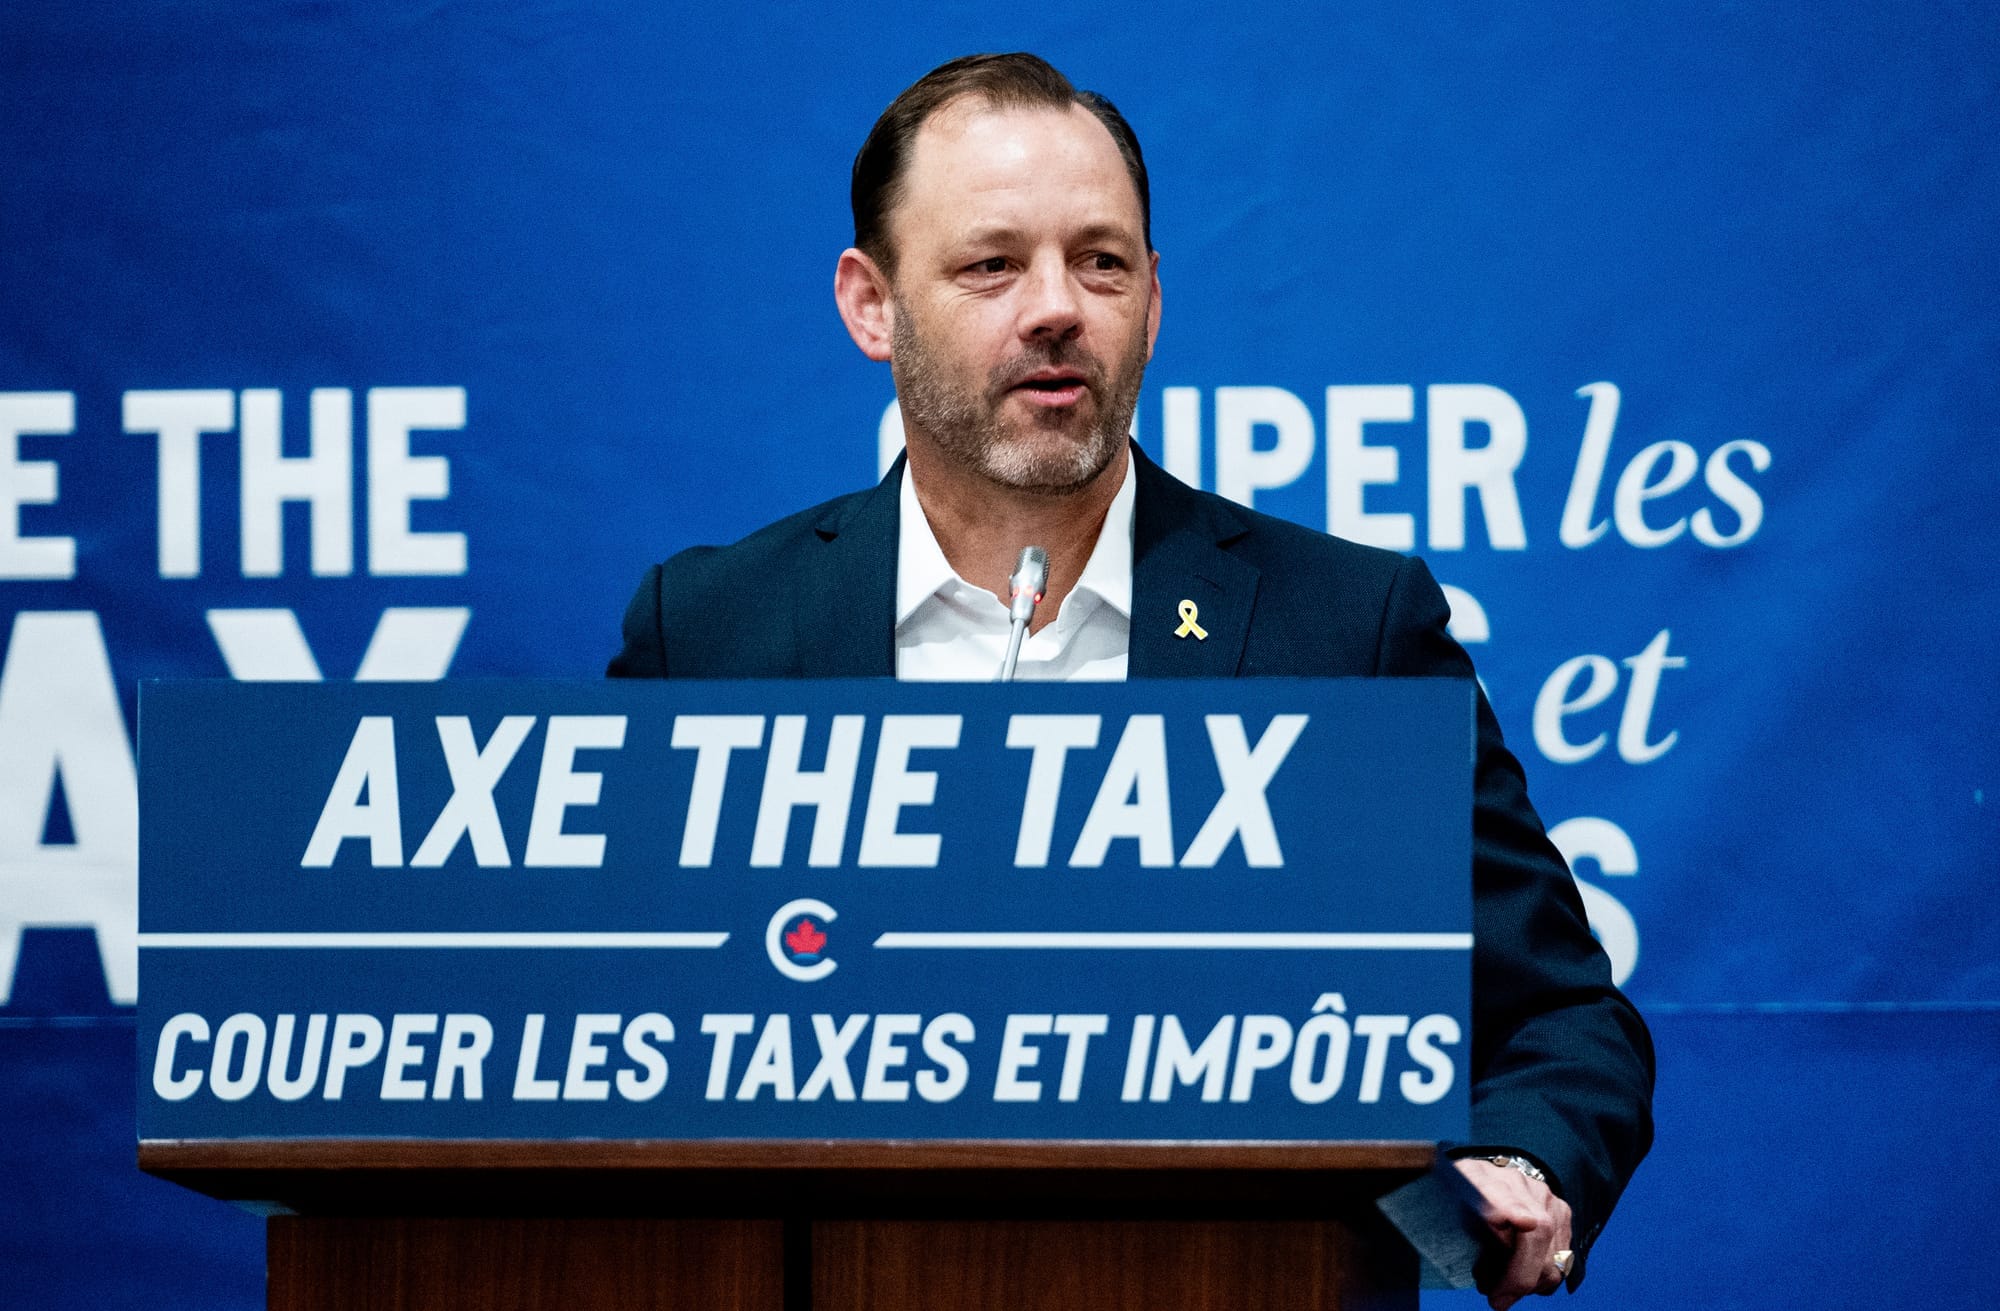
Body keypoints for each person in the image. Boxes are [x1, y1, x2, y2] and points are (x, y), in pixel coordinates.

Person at [610, 52, 1653, 1307]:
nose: (1055, 307)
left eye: (1099, 262)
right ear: (869, 303)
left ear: (1153, 300)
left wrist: (1520, 1160)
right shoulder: (712, 634)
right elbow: (594, 1032)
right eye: (991, 264)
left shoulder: (1344, 628)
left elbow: (1559, 1020)